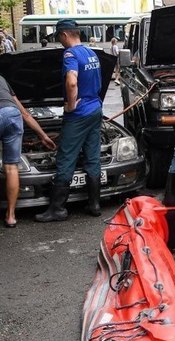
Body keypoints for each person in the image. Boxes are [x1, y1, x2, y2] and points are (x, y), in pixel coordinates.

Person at [35, 19, 103, 222]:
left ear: (64, 35)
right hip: (95, 110)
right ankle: (94, 205)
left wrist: (71, 105)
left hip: (79, 114)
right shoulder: (92, 53)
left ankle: (58, 209)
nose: (59, 41)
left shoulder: (70, 54)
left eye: (58, 37)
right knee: (92, 156)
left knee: (66, 157)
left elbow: (72, 82)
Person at [0, 74, 57, 227]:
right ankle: (11, 216)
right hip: (12, 114)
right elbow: (25, 113)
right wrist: (43, 136)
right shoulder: (2, 79)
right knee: (11, 168)